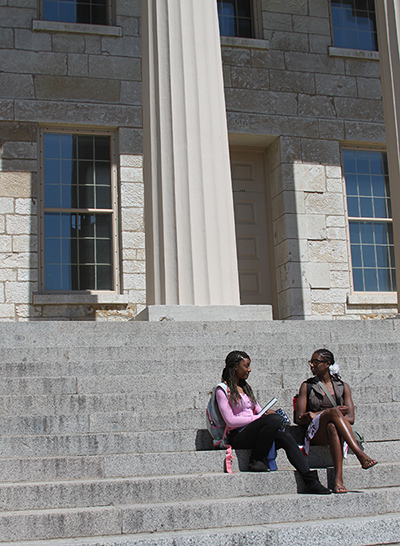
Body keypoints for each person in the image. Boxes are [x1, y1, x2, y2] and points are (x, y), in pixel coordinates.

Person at [216, 350, 331, 494]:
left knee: (284, 436)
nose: (249, 369)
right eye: (246, 366)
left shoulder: (245, 388)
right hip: (238, 435)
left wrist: (266, 413)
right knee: (274, 420)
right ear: (235, 367)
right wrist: (260, 418)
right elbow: (231, 420)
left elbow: (258, 410)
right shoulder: (222, 390)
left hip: (255, 431)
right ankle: (256, 458)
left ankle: (310, 481)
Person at [295, 348, 377, 494]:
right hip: (315, 433)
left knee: (332, 426)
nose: (311, 365)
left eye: (315, 362)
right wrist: (320, 415)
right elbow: (298, 418)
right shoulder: (307, 386)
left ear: (327, 364)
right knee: (334, 412)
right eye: (311, 362)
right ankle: (360, 454)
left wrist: (319, 413)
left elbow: (351, 418)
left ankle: (338, 481)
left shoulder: (343, 387)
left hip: (335, 431)